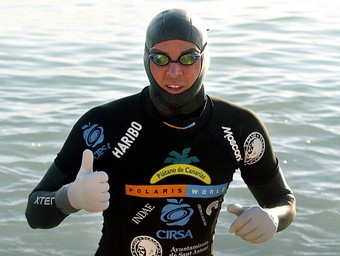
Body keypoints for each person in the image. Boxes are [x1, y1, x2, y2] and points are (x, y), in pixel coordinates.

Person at [25, 8, 296, 256]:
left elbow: (283, 201)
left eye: (189, 57)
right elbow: (35, 213)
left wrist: (273, 217)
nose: (174, 72)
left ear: (205, 58)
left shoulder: (239, 128)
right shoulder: (104, 124)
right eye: (160, 58)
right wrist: (70, 198)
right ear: (146, 58)